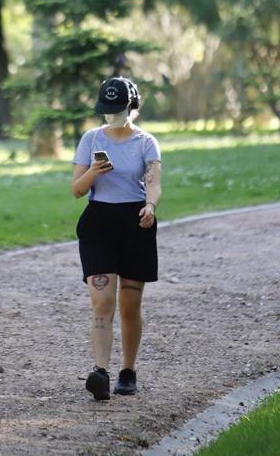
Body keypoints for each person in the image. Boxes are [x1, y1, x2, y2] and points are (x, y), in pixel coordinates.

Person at [71, 76, 162, 401]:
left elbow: (153, 182)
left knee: (129, 305)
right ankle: (100, 372)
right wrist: (95, 171)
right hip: (99, 224)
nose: (112, 115)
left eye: (117, 109)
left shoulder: (146, 143)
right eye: (107, 110)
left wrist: (150, 206)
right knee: (102, 301)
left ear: (131, 107)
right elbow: (76, 190)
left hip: (135, 223)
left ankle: (128, 370)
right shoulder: (90, 139)